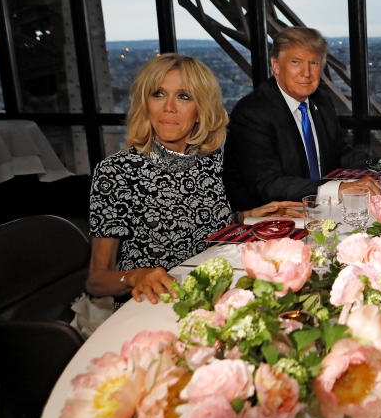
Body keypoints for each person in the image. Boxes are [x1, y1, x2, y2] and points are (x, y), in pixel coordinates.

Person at [86, 54, 299, 307]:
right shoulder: (116, 172)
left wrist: (246, 215)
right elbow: (96, 281)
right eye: (158, 94)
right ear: (146, 104)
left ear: (200, 112)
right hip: (156, 305)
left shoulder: (210, 160)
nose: (169, 107)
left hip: (214, 294)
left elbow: (197, 226)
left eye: (183, 97)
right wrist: (135, 276)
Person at [223, 27, 380, 211]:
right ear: (275, 66)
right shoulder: (252, 113)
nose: (306, 73)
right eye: (295, 62)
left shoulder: (320, 99)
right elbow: (269, 185)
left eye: (313, 63)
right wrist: (337, 189)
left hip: (322, 210)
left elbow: (341, 153)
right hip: (274, 220)